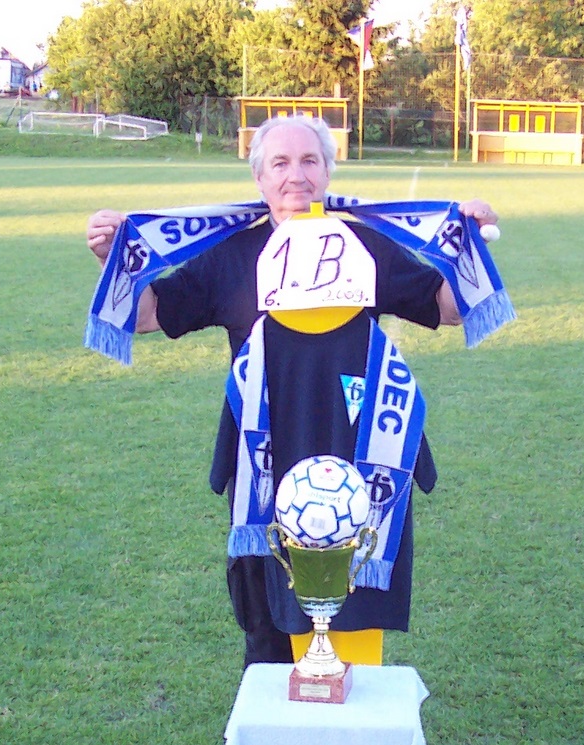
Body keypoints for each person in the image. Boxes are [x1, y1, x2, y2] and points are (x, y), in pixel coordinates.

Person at [87, 115, 499, 668]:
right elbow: (146, 315)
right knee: (267, 633)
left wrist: (468, 245)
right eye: (279, 163)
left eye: (309, 160)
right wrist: (111, 258)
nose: (295, 175)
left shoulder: (362, 245)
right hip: (264, 465)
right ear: (259, 177)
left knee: (349, 626)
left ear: (328, 171)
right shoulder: (234, 254)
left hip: (352, 464)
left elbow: (446, 307)